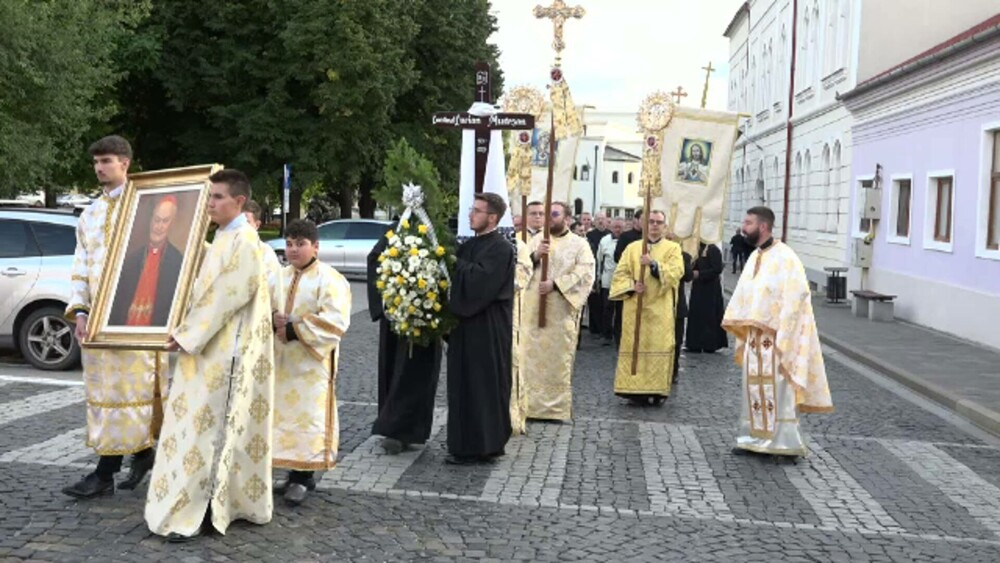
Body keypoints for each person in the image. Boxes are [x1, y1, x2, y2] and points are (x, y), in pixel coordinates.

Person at [146, 169, 274, 542]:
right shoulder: (219, 238)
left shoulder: (246, 242)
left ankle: (197, 511)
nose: (210, 203)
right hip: (203, 351)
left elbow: (227, 295)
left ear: (239, 202)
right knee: (189, 430)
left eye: (217, 197)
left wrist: (187, 335)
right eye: (209, 196)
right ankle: (194, 502)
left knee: (207, 433)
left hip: (224, 356)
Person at [63, 135, 164, 499]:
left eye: (106, 161)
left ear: (125, 163)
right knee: (105, 393)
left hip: (136, 316)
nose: (99, 168)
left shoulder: (145, 207)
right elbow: (81, 265)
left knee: (134, 390)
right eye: (96, 162)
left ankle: (106, 472)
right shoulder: (90, 214)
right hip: (98, 319)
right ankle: (140, 454)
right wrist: (80, 311)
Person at [723, 206, 833, 457]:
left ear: (763, 227)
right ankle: (752, 438)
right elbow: (745, 293)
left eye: (748, 223)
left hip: (776, 338)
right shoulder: (755, 257)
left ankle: (783, 443)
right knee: (752, 387)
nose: (743, 226)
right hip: (754, 338)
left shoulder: (786, 257)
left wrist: (781, 325)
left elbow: (799, 295)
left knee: (778, 388)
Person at [272, 219, 351, 505]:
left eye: (300, 244)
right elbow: (262, 309)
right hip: (281, 362)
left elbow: (336, 321)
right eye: (290, 244)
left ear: (316, 247)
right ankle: (291, 473)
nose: (293, 250)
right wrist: (271, 320)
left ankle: (304, 478)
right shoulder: (277, 277)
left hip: (311, 365)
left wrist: (293, 328)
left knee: (309, 418)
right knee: (282, 418)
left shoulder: (330, 279)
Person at [446, 193, 515, 464]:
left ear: (492, 217)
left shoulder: (501, 248)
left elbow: (480, 282)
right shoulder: (470, 245)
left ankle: (485, 445)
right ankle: (465, 443)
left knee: (483, 386)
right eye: (471, 210)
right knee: (463, 386)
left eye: (476, 211)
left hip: (487, 330)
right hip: (465, 327)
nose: (470, 215)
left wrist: (454, 263)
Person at [368, 221, 442, 455]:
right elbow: (374, 260)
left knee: (419, 374)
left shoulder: (434, 229)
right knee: (394, 372)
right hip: (395, 318)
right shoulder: (395, 229)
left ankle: (413, 430)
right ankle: (392, 428)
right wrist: (388, 301)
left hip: (425, 320)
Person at [519, 201, 595, 421]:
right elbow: (520, 268)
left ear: (567, 218)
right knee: (528, 358)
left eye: (554, 213)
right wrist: (534, 256)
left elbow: (585, 274)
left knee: (558, 360)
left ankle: (554, 409)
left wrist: (556, 284)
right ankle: (528, 405)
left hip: (560, 312)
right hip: (533, 311)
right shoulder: (537, 239)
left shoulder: (579, 245)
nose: (549, 217)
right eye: (547, 214)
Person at [610, 210, 684, 406]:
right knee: (635, 346)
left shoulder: (673, 248)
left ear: (664, 226)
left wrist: (653, 264)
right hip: (635, 307)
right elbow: (620, 274)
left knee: (659, 345)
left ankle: (657, 390)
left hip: (660, 308)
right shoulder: (632, 248)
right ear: (644, 224)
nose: (654, 225)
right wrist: (632, 285)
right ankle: (633, 389)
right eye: (650, 221)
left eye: (659, 222)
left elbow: (677, 272)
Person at [108, 195, 185, 327]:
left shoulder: (178, 262)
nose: (159, 226)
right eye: (156, 220)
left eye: (165, 221)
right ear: (150, 220)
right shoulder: (131, 260)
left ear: (172, 224)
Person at [685, 242, 729, 353]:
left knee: (709, 316)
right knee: (696, 314)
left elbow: (717, 269)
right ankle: (694, 343)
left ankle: (709, 344)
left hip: (711, 289)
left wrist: (699, 274)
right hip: (698, 287)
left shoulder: (713, 249)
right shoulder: (697, 248)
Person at [244, 201, 285, 315]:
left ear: (257, 225)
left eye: (247, 222)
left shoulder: (266, 253)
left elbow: (275, 291)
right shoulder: (225, 249)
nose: (241, 227)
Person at [613, 210, 644, 345]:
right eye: (643, 219)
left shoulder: (649, 237)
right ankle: (619, 337)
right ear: (636, 220)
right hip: (629, 279)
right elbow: (617, 256)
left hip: (645, 281)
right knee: (622, 311)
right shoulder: (626, 236)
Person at [596, 218, 623, 343]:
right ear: (611, 227)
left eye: (620, 227)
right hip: (608, 279)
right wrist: (598, 278)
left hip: (623, 280)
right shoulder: (605, 241)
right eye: (615, 227)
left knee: (621, 310)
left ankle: (619, 334)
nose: (618, 230)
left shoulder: (627, 240)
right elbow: (599, 260)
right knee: (607, 308)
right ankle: (606, 333)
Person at [585, 213, 608, 336]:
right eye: (598, 219)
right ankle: (594, 327)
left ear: (606, 221)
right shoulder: (590, 235)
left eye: (602, 219)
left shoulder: (609, 235)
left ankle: (603, 328)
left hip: (604, 270)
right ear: (594, 222)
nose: (600, 221)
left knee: (604, 303)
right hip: (591, 267)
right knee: (593, 301)